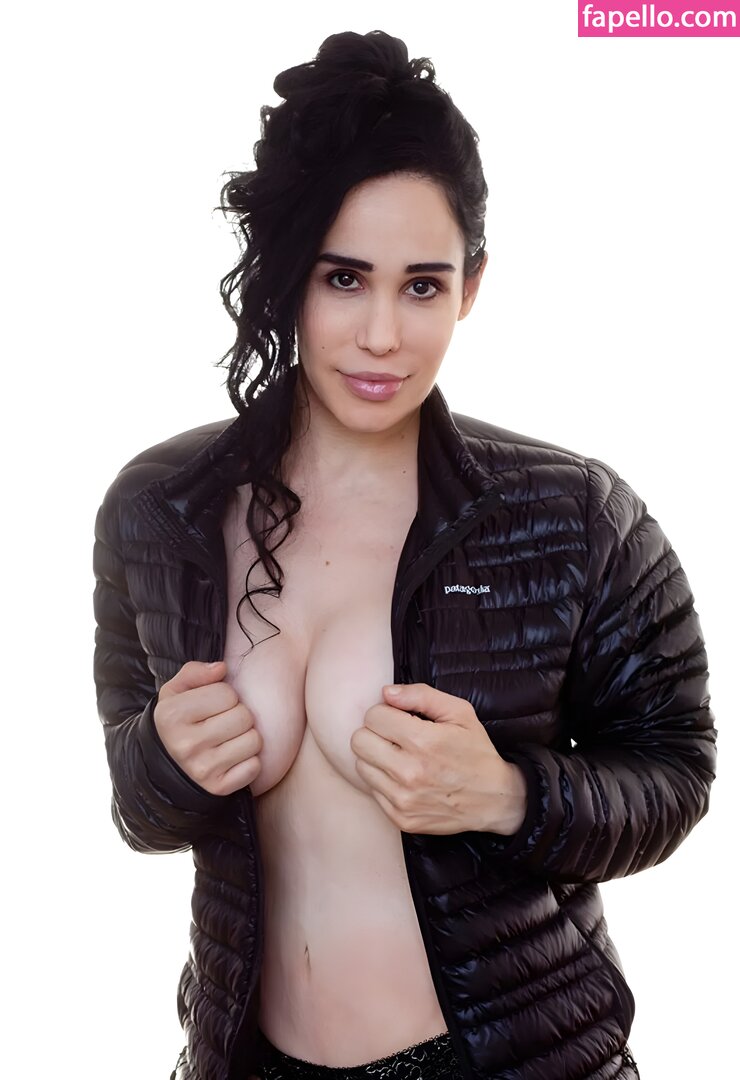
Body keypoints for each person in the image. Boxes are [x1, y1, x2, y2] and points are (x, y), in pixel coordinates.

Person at [92, 29, 717, 1080]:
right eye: (344, 278)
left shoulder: (572, 513)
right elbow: (134, 800)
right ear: (287, 277)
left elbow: (676, 771)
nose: (382, 335)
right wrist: (162, 758)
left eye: (422, 286)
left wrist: (508, 795)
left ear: (471, 285)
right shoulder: (160, 510)